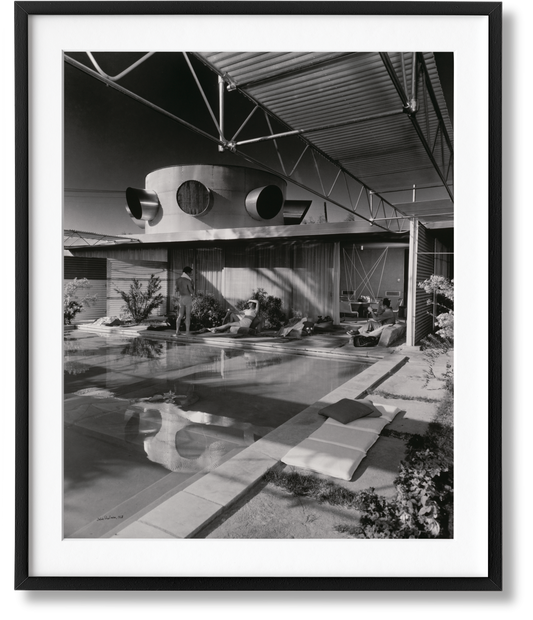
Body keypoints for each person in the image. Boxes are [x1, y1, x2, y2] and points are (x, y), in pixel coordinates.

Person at [173, 266, 194, 336]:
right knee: (188, 315)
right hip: (187, 297)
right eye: (191, 272)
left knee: (180, 315)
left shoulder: (178, 280)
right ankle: (187, 332)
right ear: (187, 272)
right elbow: (191, 291)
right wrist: (192, 285)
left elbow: (176, 290)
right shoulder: (188, 280)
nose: (191, 274)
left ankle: (177, 331)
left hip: (181, 297)